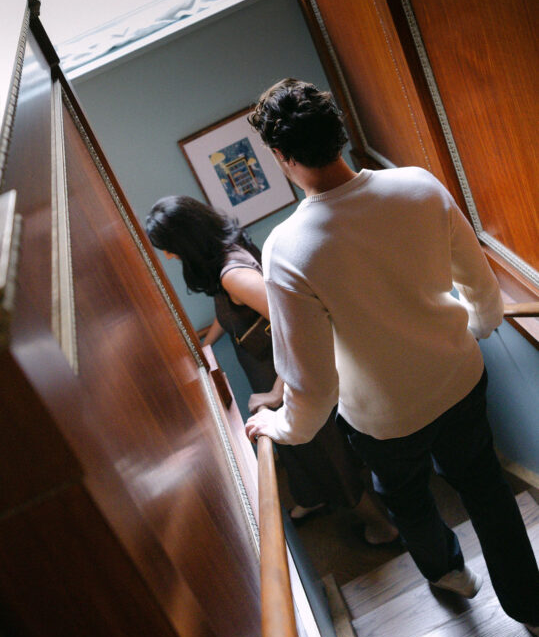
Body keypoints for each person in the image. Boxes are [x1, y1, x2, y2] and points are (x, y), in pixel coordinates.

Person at [244, 77, 539, 635]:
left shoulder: (287, 250)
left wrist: (280, 428)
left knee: (404, 497)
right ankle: (532, 607)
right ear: (339, 133)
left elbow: (309, 383)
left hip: (385, 418)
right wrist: (478, 325)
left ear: (282, 157)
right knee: (485, 487)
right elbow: (478, 284)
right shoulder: (417, 186)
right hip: (458, 377)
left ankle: (449, 573)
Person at [145, 194, 398, 542]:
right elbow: (243, 312)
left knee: (328, 456)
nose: (169, 256)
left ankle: (383, 528)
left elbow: (294, 325)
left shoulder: (232, 274)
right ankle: (314, 499)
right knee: (306, 452)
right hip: (273, 370)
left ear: (185, 241)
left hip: (288, 376)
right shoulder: (228, 249)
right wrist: (206, 342)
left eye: (169, 248)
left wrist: (277, 391)